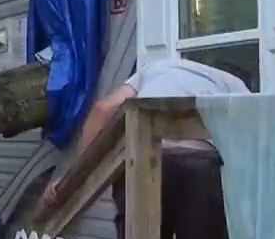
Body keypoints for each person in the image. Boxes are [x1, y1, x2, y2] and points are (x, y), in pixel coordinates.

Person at [42, 57, 250, 208]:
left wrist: (71, 175)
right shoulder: (236, 85)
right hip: (197, 162)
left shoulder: (161, 66)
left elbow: (103, 109)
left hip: (140, 158)